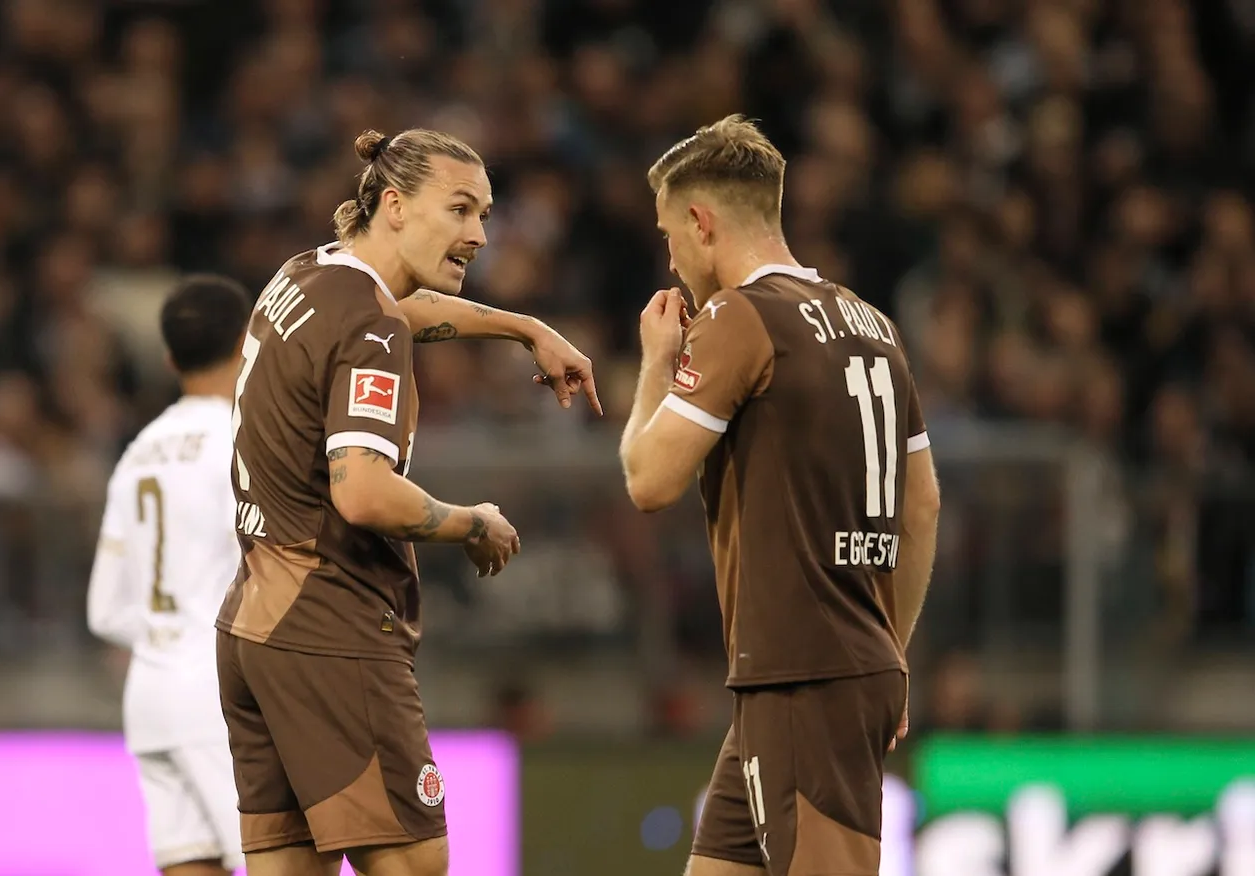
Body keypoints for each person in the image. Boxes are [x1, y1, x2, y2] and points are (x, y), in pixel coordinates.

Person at [214, 127, 599, 876]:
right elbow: (360, 490)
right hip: (330, 625)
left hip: (255, 626)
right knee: (414, 862)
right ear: (394, 205)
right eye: (459, 210)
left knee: (290, 866)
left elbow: (399, 312)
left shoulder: (310, 273)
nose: (479, 234)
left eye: (483, 214)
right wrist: (470, 523)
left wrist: (522, 327)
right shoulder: (369, 324)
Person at [619, 115, 941, 876]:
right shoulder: (874, 325)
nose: (670, 257)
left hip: (802, 672)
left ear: (701, 222)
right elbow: (922, 502)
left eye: (669, 234)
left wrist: (655, 366)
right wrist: (891, 650)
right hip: (819, 667)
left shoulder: (740, 318)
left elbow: (647, 479)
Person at [87, 275, 253, 876]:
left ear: (168, 357)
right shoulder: (243, 439)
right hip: (217, 692)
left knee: (191, 863)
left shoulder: (138, 451)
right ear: (247, 342)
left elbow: (104, 611)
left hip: (150, 697)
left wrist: (166, 633)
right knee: (279, 864)